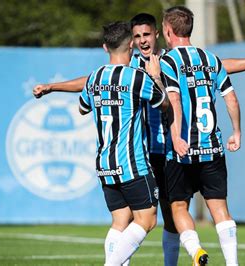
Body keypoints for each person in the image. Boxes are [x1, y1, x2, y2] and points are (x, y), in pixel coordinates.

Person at [33, 12, 245, 266]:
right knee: (136, 218)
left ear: (158, 34)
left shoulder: (168, 60)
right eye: (137, 36)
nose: (142, 41)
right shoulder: (132, 69)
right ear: (132, 41)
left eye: (146, 34)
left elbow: (221, 65)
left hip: (171, 150)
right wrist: (54, 87)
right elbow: (93, 82)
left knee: (170, 217)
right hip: (151, 153)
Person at [78, 21, 169, 265]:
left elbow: (82, 108)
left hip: (105, 164)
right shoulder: (136, 78)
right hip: (132, 164)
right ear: (131, 44)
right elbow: (165, 104)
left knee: (121, 221)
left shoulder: (94, 78)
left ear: (105, 47)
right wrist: (157, 78)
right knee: (147, 220)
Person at [160, 6, 241, 266]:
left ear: (169, 31)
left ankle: (196, 252)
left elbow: (174, 100)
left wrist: (176, 136)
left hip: (182, 151)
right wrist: (237, 131)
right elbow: (231, 98)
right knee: (220, 209)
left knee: (178, 207)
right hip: (212, 148)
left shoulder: (169, 61)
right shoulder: (211, 59)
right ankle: (233, 263)